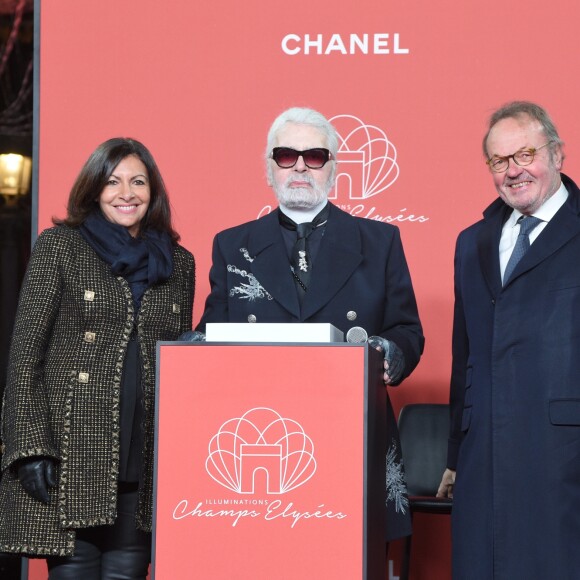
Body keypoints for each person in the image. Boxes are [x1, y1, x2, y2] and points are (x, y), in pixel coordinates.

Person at [189, 106, 424, 543]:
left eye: (315, 156)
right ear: (269, 168)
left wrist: (389, 353)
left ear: (333, 169)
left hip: (351, 432)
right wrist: (192, 347)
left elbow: (407, 331)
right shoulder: (232, 244)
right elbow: (210, 333)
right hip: (259, 430)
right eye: (286, 155)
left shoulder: (380, 241)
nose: (299, 166)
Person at [0, 138, 195, 579]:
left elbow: (179, 362)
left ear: (153, 191)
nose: (126, 192)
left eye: (138, 181)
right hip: (71, 451)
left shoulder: (178, 263)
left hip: (144, 455)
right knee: (74, 571)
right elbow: (25, 353)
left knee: (129, 573)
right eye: (113, 182)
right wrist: (30, 448)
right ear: (94, 190)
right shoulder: (60, 247)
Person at [436, 101, 580, 578]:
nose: (513, 171)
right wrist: (456, 454)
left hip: (561, 455)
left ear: (557, 154)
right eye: (499, 161)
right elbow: (465, 354)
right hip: (483, 458)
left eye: (525, 154)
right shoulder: (470, 241)